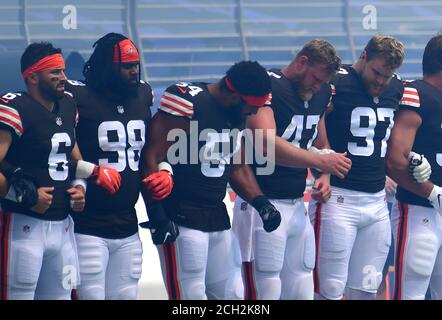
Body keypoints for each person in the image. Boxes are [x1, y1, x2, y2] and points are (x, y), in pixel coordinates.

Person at [140, 61, 282, 300]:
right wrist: (157, 215)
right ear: (235, 95)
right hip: (181, 218)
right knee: (191, 299)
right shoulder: (189, 101)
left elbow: (236, 165)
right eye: (253, 106)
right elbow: (151, 156)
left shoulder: (236, 112)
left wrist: (261, 202)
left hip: (217, 216)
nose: (255, 113)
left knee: (232, 296)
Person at [231, 39, 351, 300]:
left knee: (301, 285)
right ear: (302, 62)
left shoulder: (321, 93)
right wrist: (319, 162)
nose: (317, 85)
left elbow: (321, 144)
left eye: (322, 82)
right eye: (315, 78)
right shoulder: (269, 86)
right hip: (260, 204)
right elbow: (265, 145)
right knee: (265, 289)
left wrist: (326, 176)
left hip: (297, 205)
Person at [0, 42, 120, 300]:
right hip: (23, 226)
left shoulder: (67, 105)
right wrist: (22, 195)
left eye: (63, 71)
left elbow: (72, 159)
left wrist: (82, 186)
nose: (63, 78)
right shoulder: (14, 108)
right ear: (32, 77)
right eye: (54, 72)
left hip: (63, 227)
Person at [310, 34, 405, 300]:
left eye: (386, 76)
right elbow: (315, 121)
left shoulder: (396, 86)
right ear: (364, 56)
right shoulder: (336, 81)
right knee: (328, 289)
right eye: (376, 72)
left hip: (376, 203)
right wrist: (324, 170)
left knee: (366, 289)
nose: (380, 81)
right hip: (338, 200)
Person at [65, 33, 159, 300]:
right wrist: (87, 173)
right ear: (108, 67)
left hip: (128, 224)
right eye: (126, 66)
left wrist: (164, 170)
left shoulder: (143, 94)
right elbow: (57, 148)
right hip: (87, 226)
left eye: (136, 65)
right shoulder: (76, 97)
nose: (134, 72)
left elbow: (152, 147)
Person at [386, 34, 442, 300]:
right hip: (420, 210)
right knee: (410, 293)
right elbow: (396, 159)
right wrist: (433, 192)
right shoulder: (417, 93)